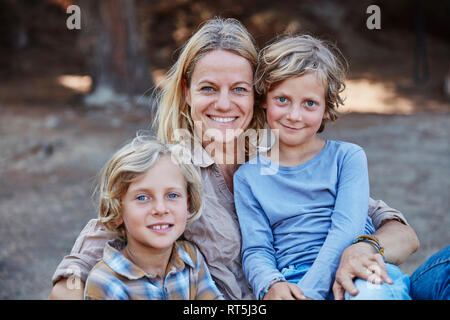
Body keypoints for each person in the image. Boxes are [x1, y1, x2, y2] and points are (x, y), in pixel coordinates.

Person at [49, 17, 419, 300]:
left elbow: (399, 232)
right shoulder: (167, 167)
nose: (224, 105)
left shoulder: (282, 157)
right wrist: (71, 284)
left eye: (239, 90)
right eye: (208, 89)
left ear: (257, 96)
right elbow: (80, 264)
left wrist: (363, 248)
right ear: (186, 92)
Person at [234, 35, 411, 300]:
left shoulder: (347, 158)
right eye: (282, 99)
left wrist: (310, 294)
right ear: (264, 99)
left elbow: (347, 229)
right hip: (292, 279)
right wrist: (271, 283)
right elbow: (256, 249)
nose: (294, 115)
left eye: (310, 104)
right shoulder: (247, 177)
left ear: (327, 108)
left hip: (357, 271)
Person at [83, 136, 223, 300]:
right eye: (142, 198)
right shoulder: (106, 283)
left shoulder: (191, 259)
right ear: (118, 210)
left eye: (172, 195)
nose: (160, 209)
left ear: (187, 204)